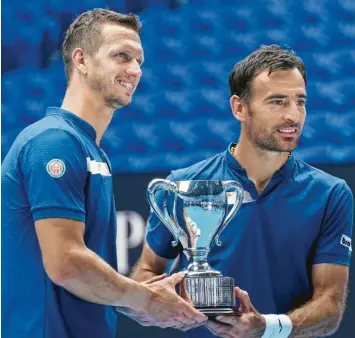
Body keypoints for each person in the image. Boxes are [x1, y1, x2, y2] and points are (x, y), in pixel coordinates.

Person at [1, 8, 207, 338]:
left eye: (139, 60)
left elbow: (80, 278)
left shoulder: (89, 150)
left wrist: (136, 303)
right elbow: (66, 263)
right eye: (122, 56)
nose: (136, 70)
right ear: (81, 60)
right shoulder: (53, 142)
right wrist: (146, 298)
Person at [131, 45, 354, 338]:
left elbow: (330, 306)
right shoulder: (185, 185)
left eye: (300, 101)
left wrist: (266, 328)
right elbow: (146, 272)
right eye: (277, 101)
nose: (293, 115)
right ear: (239, 108)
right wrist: (158, 304)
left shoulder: (331, 194)